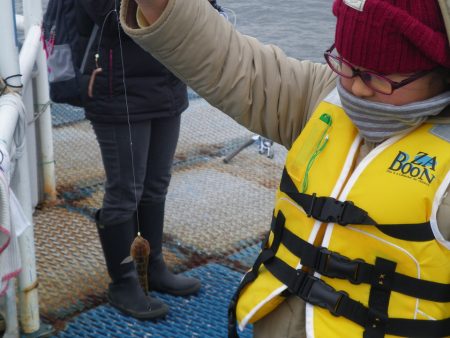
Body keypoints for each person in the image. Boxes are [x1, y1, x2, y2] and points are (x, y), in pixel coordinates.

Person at [118, 0, 450, 336]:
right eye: (346, 65)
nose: (357, 89)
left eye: (378, 77)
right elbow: (227, 61)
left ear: (437, 69)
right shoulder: (321, 96)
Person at [74, 0, 229, 320]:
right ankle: (124, 281)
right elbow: (113, 16)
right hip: (118, 88)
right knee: (125, 190)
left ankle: (154, 265)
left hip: (167, 83)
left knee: (156, 184)